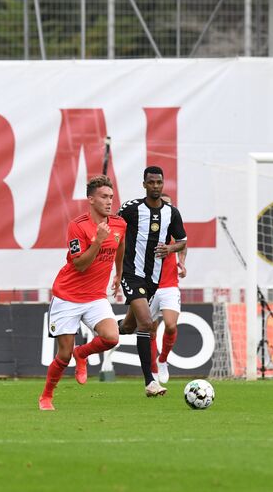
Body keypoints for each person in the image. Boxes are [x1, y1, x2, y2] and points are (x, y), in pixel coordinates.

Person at [39, 175, 126, 411]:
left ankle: (83, 353)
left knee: (111, 337)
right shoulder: (77, 225)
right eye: (104, 197)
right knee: (63, 355)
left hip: (96, 297)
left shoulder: (119, 224)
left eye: (111, 197)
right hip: (68, 296)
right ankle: (46, 396)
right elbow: (80, 265)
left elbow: (120, 247)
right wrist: (97, 241)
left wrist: (118, 273)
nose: (109, 201)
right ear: (91, 199)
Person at [116, 167, 188, 396]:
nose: (156, 186)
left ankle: (102, 330)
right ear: (144, 184)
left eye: (159, 182)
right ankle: (150, 381)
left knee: (128, 327)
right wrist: (115, 271)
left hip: (154, 281)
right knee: (147, 324)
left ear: (163, 183)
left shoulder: (172, 213)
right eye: (151, 182)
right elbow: (113, 230)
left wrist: (170, 248)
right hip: (132, 273)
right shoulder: (131, 208)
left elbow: (183, 242)